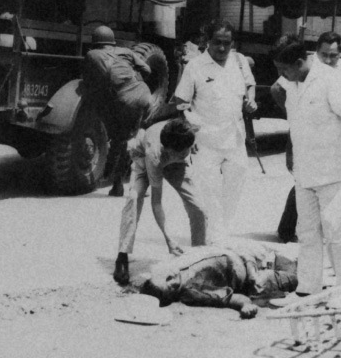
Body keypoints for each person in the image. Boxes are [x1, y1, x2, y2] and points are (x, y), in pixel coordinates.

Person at [268, 35, 341, 305]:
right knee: (308, 232)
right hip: (305, 171)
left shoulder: (329, 79)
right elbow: (296, 122)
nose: (281, 75)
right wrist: (290, 152)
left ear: (300, 62)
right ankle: (307, 289)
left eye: (284, 69)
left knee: (337, 232)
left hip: (334, 170)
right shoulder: (292, 83)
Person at [273, 32, 341, 251]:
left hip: (336, 144)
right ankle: (286, 230)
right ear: (316, 53)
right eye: (324, 55)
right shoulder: (298, 71)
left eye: (334, 55)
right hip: (310, 146)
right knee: (304, 189)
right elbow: (281, 93)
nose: (329, 60)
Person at [173, 19, 257, 242]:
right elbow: (181, 100)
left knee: (235, 185)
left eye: (227, 43)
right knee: (208, 193)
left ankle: (221, 231)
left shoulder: (239, 62)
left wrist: (251, 99)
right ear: (207, 41)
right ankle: (217, 238)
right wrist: (190, 128)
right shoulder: (195, 67)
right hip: (206, 141)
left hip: (235, 137)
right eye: (217, 42)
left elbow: (250, 85)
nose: (222, 48)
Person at [113, 118, 208, 285]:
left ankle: (199, 261)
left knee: (199, 208)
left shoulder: (186, 133)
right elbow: (156, 202)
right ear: (169, 150)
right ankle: (122, 256)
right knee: (134, 199)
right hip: (143, 159)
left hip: (175, 165)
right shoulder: (154, 155)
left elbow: (193, 133)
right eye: (182, 153)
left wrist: (191, 145)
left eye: (187, 150)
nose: (186, 154)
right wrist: (168, 239)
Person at [140, 240, 298, 319]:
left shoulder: (172, 266)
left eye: (165, 278)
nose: (172, 280)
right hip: (248, 277)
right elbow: (229, 298)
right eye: (172, 288)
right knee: (295, 278)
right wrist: (244, 305)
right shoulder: (191, 293)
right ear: (174, 296)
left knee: (288, 251)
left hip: (241, 251)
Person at [82, 26, 152, 197]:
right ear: (112, 41)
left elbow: (90, 79)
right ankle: (126, 181)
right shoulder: (125, 51)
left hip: (124, 99)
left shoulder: (92, 55)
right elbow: (148, 70)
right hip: (143, 93)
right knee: (134, 139)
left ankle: (119, 184)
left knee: (122, 142)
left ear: (95, 42)